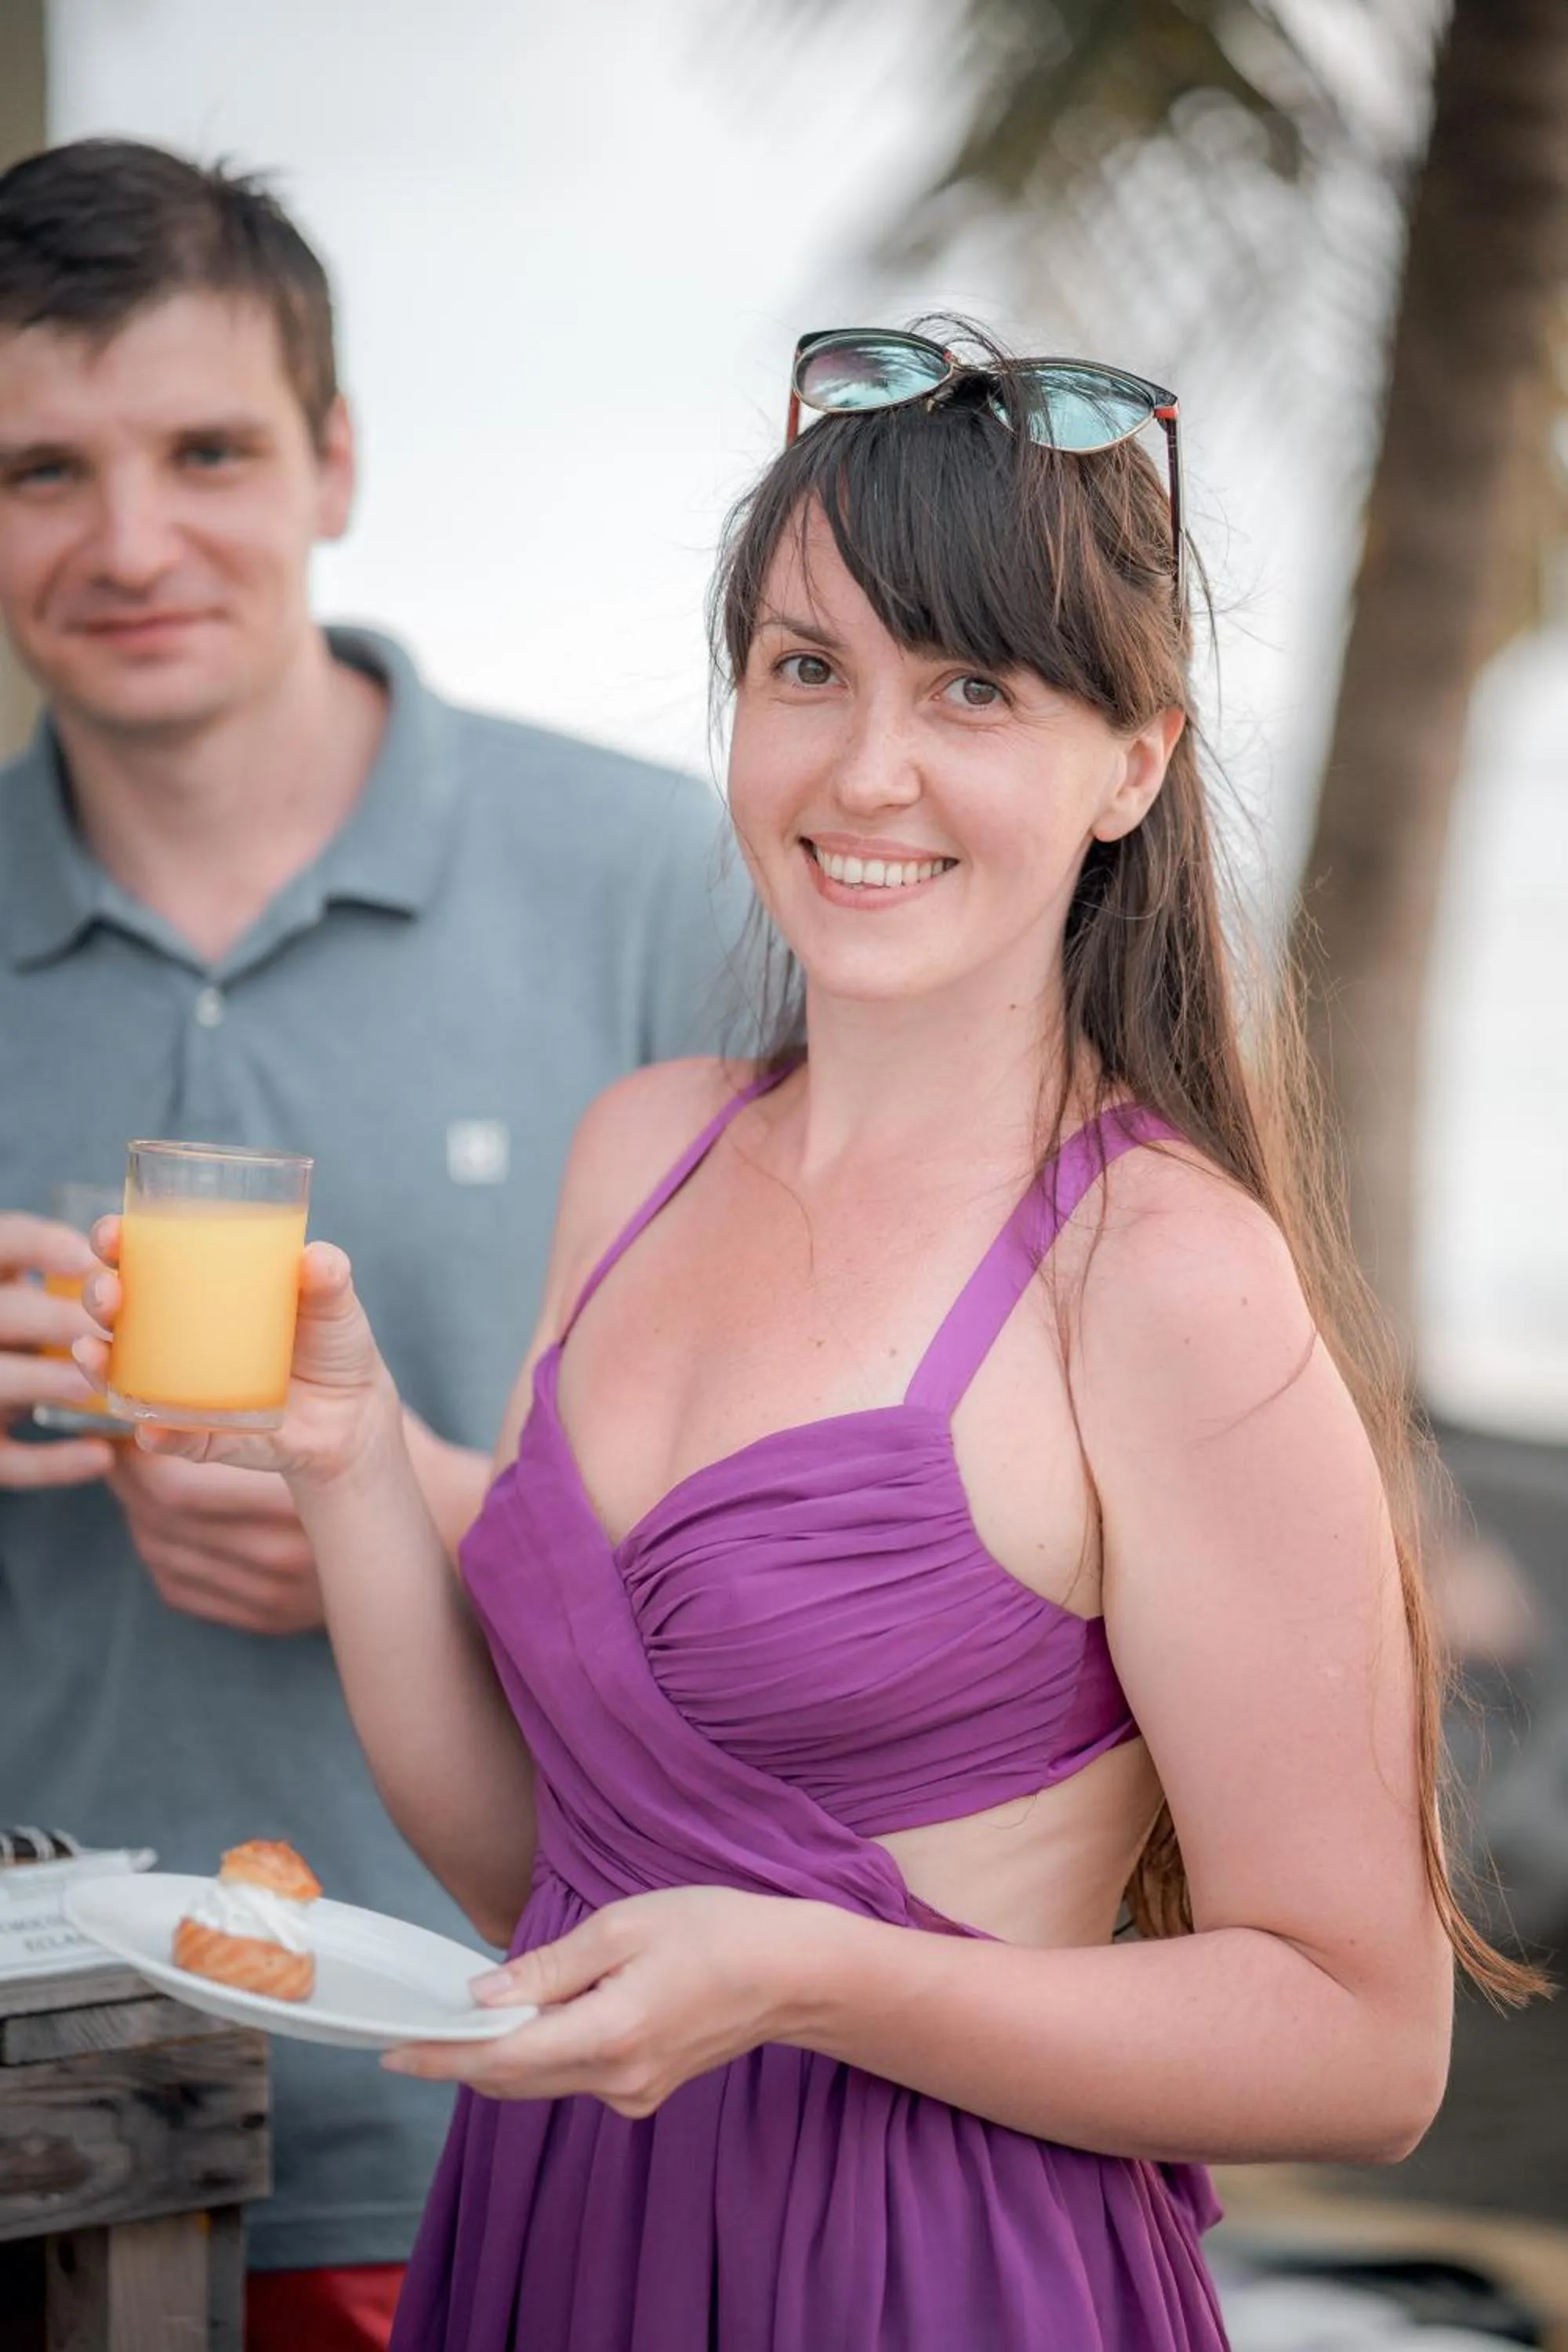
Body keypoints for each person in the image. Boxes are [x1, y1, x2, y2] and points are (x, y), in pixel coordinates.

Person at [79, 321, 1530, 2351]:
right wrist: (347, 1464)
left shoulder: (1161, 1276)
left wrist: (821, 1979)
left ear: (1134, 761)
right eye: (806, 669)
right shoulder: (644, 1151)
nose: (867, 768)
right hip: (555, 2245)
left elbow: (1364, 2050)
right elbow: (546, 1881)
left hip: (924, 2280)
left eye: (974, 690)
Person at [0, 138, 738, 2350]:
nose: (135, 543)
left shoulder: (667, 892)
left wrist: (420, 1525)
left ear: (333, 460)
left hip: (520, 2099)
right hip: (35, 2123)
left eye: (207, 449)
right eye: (42, 469)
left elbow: (880, 1553)